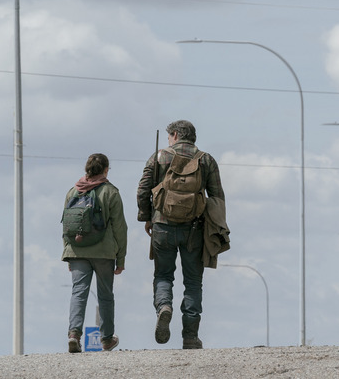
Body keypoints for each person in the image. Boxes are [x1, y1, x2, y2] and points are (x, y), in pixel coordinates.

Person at [137, 120, 226, 349]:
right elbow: (217, 197)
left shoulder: (159, 157)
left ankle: (164, 307)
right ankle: (190, 336)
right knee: (193, 282)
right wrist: (216, 228)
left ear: (175, 135)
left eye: (169, 136)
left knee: (164, 276)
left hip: (162, 226)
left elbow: (143, 189)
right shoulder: (206, 160)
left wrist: (147, 216)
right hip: (194, 229)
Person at [62, 153, 127, 353]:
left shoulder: (73, 191)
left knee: (78, 293)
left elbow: (66, 224)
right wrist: (121, 258)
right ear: (106, 169)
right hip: (104, 252)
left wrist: (68, 253)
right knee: (105, 295)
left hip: (77, 250)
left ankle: (74, 334)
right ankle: (106, 339)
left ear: (87, 169)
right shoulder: (110, 192)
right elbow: (120, 228)